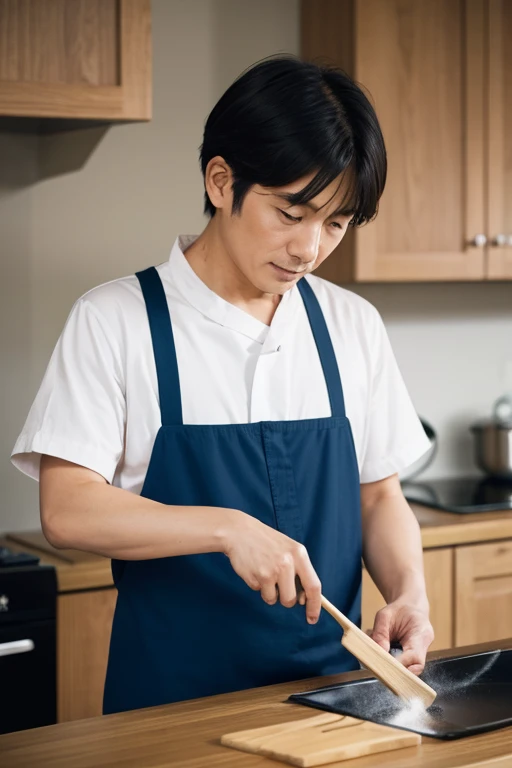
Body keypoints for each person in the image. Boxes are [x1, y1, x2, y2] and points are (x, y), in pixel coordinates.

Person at [11, 56, 434, 715]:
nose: (309, 248)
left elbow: (379, 497)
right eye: (291, 213)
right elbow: (67, 511)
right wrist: (227, 528)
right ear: (220, 180)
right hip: (171, 709)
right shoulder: (116, 321)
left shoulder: (352, 324)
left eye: (336, 224)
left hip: (335, 701)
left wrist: (411, 593)